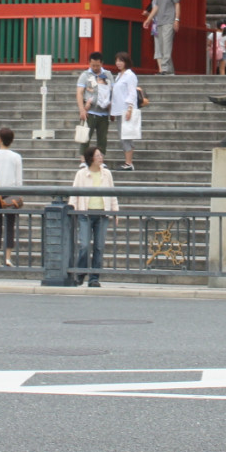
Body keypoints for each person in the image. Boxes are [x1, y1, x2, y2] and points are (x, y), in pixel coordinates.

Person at [69, 143, 117, 287]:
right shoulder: (81, 174)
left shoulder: (106, 173)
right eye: (97, 155)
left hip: (102, 213)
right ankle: (80, 272)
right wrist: (73, 210)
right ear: (91, 158)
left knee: (99, 247)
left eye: (101, 155)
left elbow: (112, 192)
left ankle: (94, 277)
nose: (100, 158)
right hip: (85, 212)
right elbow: (74, 192)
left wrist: (115, 211)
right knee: (84, 245)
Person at [0, 126, 24, 267]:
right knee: (10, 225)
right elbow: (19, 180)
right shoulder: (16, 157)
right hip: (11, 192)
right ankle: (8, 257)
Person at [75, 50, 114, 160]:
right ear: (89, 63)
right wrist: (82, 109)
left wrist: (112, 110)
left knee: (102, 139)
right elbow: (79, 92)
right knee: (85, 137)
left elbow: (113, 91)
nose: (95, 67)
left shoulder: (108, 74)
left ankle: (100, 160)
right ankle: (83, 160)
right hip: (89, 112)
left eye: (97, 65)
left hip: (104, 112)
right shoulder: (85, 75)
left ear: (102, 63)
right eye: (93, 65)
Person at [143, 0, 179, 74]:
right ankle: (170, 72)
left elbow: (177, 4)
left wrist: (177, 19)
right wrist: (148, 19)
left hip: (169, 20)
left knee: (167, 45)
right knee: (162, 47)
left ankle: (164, 69)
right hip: (160, 21)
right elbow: (156, 6)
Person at [111, 50, 142, 172]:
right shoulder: (119, 76)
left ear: (126, 62)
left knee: (126, 136)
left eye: (121, 61)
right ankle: (128, 162)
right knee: (123, 136)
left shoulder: (130, 75)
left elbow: (132, 92)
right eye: (117, 60)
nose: (118, 63)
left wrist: (130, 108)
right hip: (119, 110)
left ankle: (129, 163)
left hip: (126, 110)